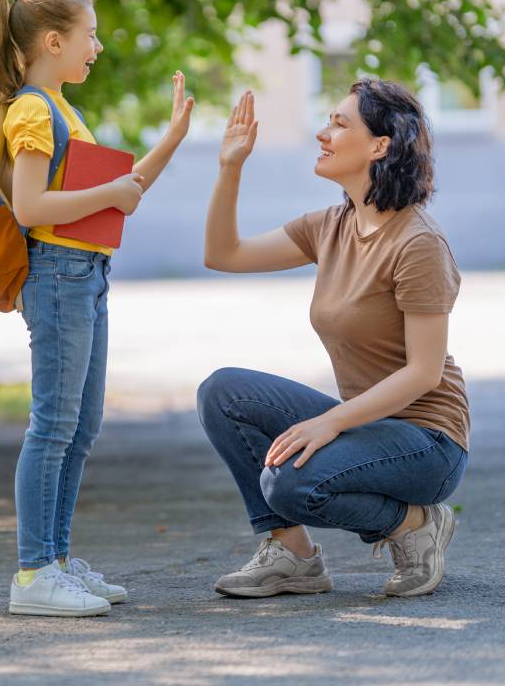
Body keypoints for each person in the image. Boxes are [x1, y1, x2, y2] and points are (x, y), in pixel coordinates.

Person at [0, 0, 194, 616]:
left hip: (87, 275)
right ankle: (34, 575)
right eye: (89, 36)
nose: (97, 46)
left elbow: (121, 190)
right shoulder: (33, 110)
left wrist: (172, 138)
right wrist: (108, 195)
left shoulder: (64, 110)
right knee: (53, 426)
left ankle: (57, 561)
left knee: (81, 426)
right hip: (59, 275)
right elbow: (32, 206)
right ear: (52, 40)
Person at [197, 78, 469, 599]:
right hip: (369, 426)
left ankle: (415, 524)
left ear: (379, 146)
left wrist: (328, 422)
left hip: (428, 443)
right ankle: (292, 557)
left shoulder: (418, 243)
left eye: (339, 124)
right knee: (223, 392)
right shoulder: (331, 226)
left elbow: (424, 372)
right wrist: (230, 166)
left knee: (290, 482)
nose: (323, 134)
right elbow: (223, 254)